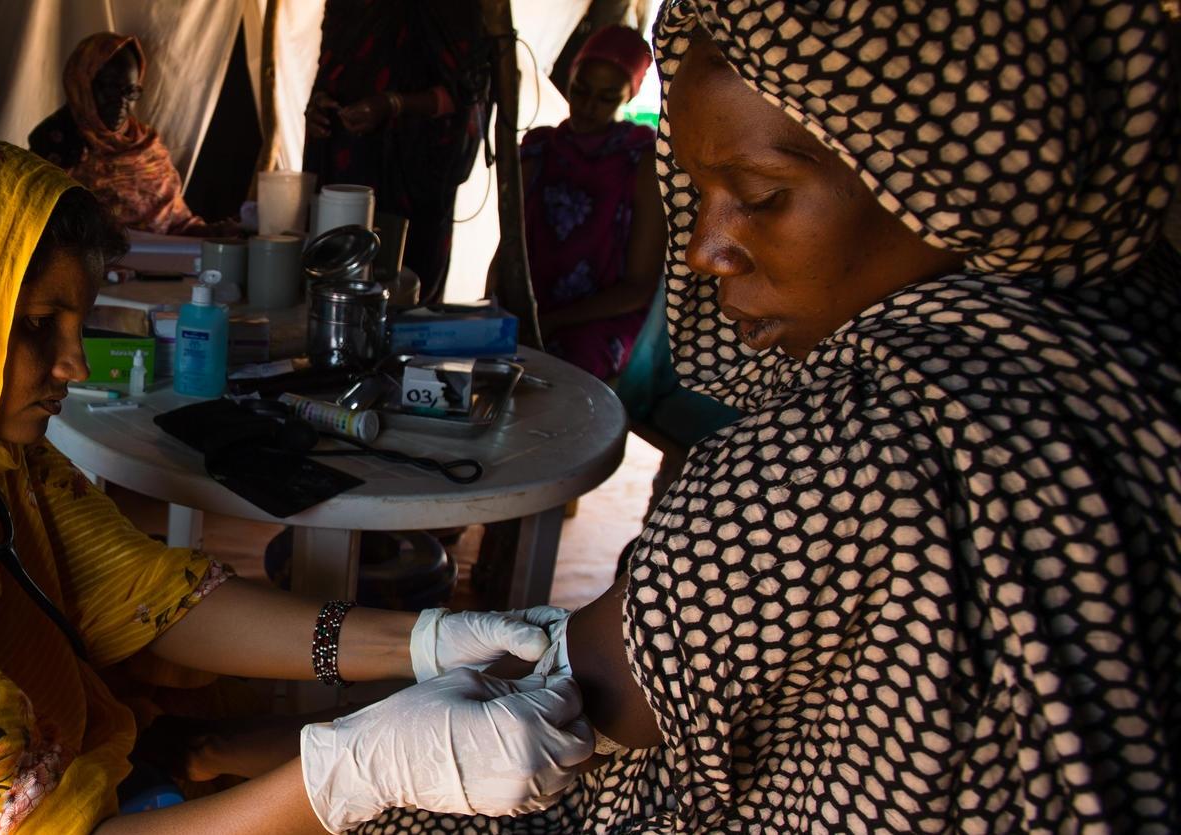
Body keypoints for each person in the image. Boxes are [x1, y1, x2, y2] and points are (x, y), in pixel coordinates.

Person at [367, 0, 1181, 831]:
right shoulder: (1128, 336)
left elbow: (563, 699)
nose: (704, 248)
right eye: (696, 189)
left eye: (758, 193)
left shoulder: (860, 444)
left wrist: (327, 766)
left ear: (955, 177)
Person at [0, 133, 595, 834]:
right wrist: (356, 769)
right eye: (34, 328)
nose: (69, 365)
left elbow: (149, 599)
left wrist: (420, 642)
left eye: (75, 325)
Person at [303, 0, 491, 299]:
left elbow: (467, 91)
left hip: (412, 177)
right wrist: (316, 108)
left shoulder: (452, 9)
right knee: (333, 280)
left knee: (401, 291)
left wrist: (394, 104)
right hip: (344, 162)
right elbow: (331, 68)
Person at [517, 25, 661, 381]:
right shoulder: (540, 147)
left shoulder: (642, 159)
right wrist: (498, 306)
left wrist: (549, 322)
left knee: (565, 370)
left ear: (629, 96)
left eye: (606, 97)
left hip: (603, 316)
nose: (587, 107)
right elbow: (510, 244)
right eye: (580, 90)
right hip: (532, 303)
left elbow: (639, 287)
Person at [29, 33, 230, 236]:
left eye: (130, 91)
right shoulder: (56, 144)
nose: (121, 102)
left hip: (162, 264)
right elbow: (40, 227)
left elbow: (177, 224)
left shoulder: (147, 146)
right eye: (109, 89)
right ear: (82, 83)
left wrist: (210, 233)